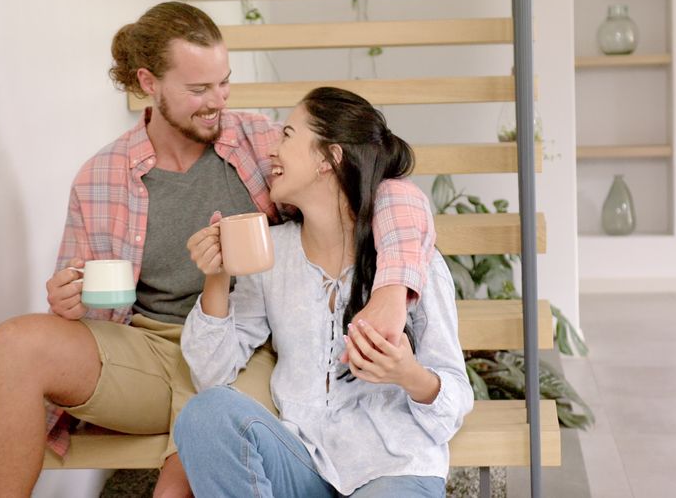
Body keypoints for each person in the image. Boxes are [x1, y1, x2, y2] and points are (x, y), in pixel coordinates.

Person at [0, 3, 437, 498]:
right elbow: (84, 295)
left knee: (177, 486)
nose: (217, 102)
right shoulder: (101, 176)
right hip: (147, 350)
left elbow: (389, 191)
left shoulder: (262, 144)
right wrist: (67, 300)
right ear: (149, 82)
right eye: (198, 89)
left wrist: (392, 291)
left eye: (223, 83)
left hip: (249, 349)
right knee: (14, 345)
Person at [175, 87, 474, 497]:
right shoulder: (272, 253)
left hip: (393, 466)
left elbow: (453, 400)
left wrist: (407, 374)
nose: (272, 151)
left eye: (287, 135)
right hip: (302, 460)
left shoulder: (411, 261)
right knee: (205, 414)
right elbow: (211, 373)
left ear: (328, 158)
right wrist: (217, 276)